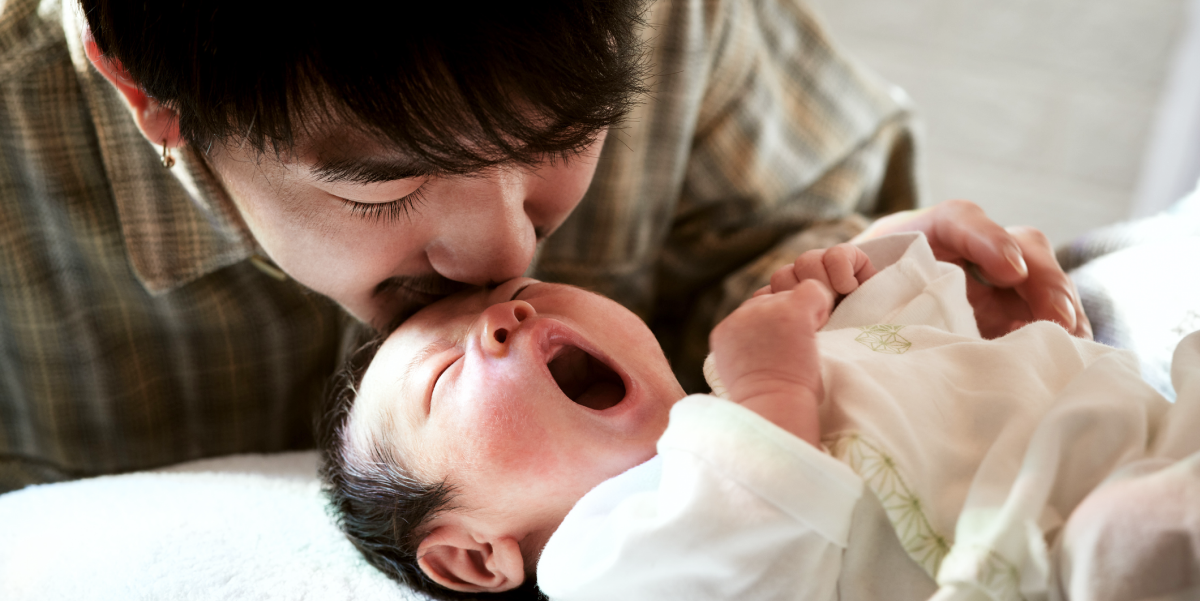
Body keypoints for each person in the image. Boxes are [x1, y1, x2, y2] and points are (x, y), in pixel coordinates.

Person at [0, 0, 1089, 492]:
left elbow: (776, 232)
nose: (505, 257)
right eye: (382, 189)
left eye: (563, 137)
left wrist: (880, 297)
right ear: (146, 90)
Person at [321, 233, 1198, 601]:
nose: (505, 314)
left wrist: (866, 283)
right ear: (474, 556)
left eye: (525, 291)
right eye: (444, 376)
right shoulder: (609, 563)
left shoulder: (727, 390)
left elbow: (933, 364)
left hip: (1131, 424)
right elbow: (755, 539)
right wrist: (776, 383)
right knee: (1138, 535)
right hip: (1047, 554)